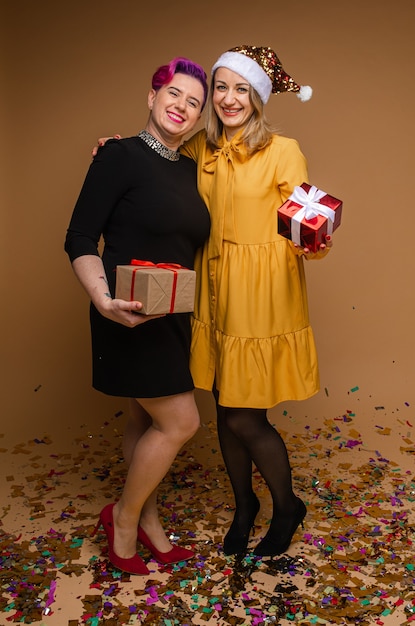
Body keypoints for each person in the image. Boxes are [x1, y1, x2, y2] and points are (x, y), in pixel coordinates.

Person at [95, 45, 333, 559]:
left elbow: (307, 218)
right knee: (226, 412)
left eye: (241, 89)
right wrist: (117, 148)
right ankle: (244, 506)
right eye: (220, 87)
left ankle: (287, 506)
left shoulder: (283, 149)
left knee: (246, 416)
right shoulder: (200, 148)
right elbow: (154, 161)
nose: (228, 98)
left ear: (258, 98)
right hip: (213, 293)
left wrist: (314, 237)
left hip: (262, 296)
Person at [65, 57, 210, 575]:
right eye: (174, 94)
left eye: (194, 102)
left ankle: (148, 523)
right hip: (126, 311)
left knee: (143, 417)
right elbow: (80, 237)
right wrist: (104, 301)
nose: (182, 106)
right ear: (152, 97)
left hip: (174, 314)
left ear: (198, 117)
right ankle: (124, 520)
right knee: (180, 421)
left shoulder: (192, 169)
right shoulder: (119, 156)